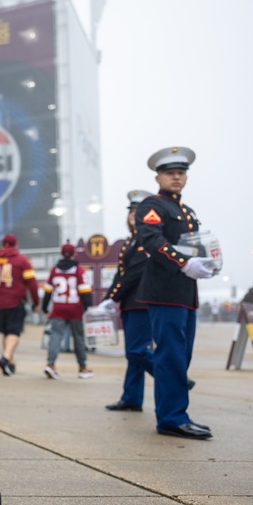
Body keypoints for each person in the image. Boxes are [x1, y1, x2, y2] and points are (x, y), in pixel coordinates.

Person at [135, 146, 218, 440]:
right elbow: (150, 239)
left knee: (182, 357)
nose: (177, 177)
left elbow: (194, 244)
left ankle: (177, 413)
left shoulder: (187, 210)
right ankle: (171, 418)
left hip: (184, 292)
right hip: (165, 290)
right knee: (170, 356)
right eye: (170, 173)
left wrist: (207, 261)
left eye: (181, 173)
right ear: (158, 177)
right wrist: (184, 262)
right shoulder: (152, 205)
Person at [99, 190, 154, 410]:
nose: (133, 214)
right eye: (131, 210)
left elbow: (135, 272)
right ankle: (131, 398)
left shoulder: (145, 237)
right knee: (134, 355)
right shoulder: (131, 240)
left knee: (137, 351)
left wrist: (114, 297)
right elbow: (120, 274)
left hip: (142, 302)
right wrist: (108, 298)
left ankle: (172, 377)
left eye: (138, 210)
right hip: (131, 303)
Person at [41, 243, 94, 379]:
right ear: (74, 254)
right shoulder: (79, 270)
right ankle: (82, 367)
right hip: (75, 309)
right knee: (78, 338)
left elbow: (47, 291)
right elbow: (85, 292)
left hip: (58, 308)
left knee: (56, 336)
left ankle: (50, 364)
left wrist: (44, 307)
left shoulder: (54, 270)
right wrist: (88, 308)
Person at [0, 233, 40, 376]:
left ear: (2, 245)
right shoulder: (22, 261)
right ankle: (6, 357)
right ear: (16, 245)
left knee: (6, 333)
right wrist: (36, 303)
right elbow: (32, 284)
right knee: (14, 332)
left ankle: (9, 364)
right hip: (14, 302)